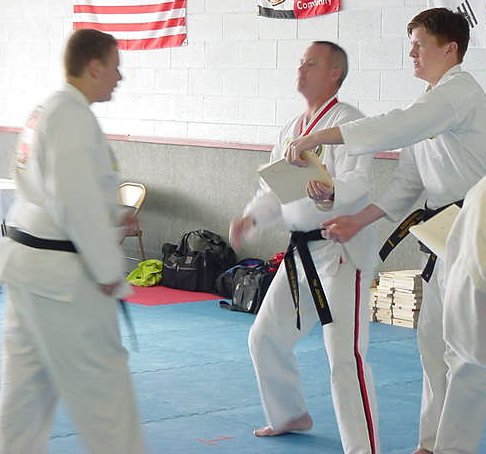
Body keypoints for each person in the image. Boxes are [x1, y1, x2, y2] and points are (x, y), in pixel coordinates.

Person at [286, 8, 486, 454]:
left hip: (477, 231)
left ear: (450, 48)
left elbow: (394, 125)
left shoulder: (459, 92)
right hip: (442, 235)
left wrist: (321, 137)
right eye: (410, 45)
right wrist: (358, 219)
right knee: (432, 342)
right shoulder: (431, 103)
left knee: (466, 351)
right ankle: (430, 443)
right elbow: (408, 183)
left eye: (419, 44)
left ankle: (453, 448)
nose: (411, 53)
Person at [230, 41, 379, 453]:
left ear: (334, 73)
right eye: (300, 62)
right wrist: (251, 218)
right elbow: (273, 189)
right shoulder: (292, 128)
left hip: (341, 250)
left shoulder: (349, 122)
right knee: (265, 337)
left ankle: (363, 448)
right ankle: (289, 414)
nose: (301, 69)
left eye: (310, 63)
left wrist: (332, 193)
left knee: (344, 355)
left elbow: (360, 182)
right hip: (301, 252)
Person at [0, 29, 145, 453]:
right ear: (94, 66)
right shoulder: (72, 117)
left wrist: (114, 214)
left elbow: (51, 192)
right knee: (106, 396)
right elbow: (74, 202)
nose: (119, 77)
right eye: (115, 67)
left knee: (25, 397)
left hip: (30, 269)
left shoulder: (48, 109)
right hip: (64, 281)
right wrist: (108, 271)